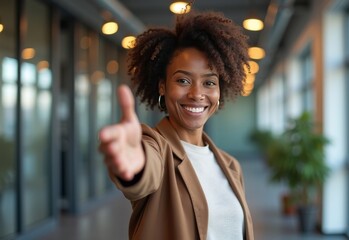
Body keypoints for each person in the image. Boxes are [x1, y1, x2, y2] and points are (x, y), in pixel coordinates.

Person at [98, 10, 254, 240]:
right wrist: (136, 166)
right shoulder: (156, 148)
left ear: (220, 90)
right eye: (183, 80)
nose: (197, 94)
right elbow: (145, 172)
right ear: (162, 86)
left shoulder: (232, 166)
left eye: (209, 82)